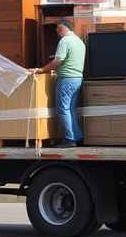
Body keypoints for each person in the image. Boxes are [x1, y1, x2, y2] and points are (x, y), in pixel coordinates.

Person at [30, 19, 86, 148]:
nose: (57, 30)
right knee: (70, 109)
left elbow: (57, 61)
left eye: (59, 28)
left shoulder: (65, 41)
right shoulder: (79, 41)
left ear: (66, 28)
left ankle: (70, 140)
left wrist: (41, 70)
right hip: (77, 78)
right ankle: (77, 137)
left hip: (66, 78)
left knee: (63, 109)